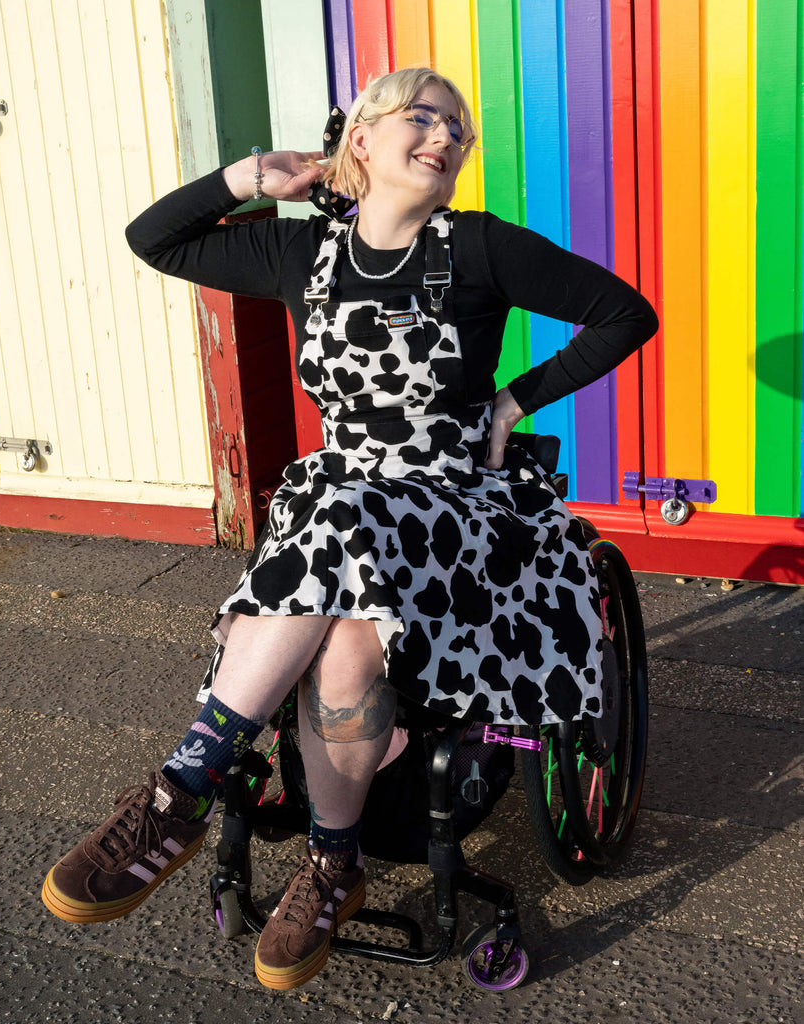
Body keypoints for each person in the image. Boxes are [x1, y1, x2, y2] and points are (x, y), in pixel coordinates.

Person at [41, 67, 658, 989]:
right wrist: (251, 178)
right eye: (421, 116)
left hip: (456, 510)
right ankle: (335, 864)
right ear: (360, 141)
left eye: (456, 128)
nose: (445, 137)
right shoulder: (298, 255)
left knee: (334, 506)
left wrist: (514, 400)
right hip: (348, 522)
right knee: (342, 648)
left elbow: (624, 312)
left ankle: (182, 789)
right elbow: (153, 239)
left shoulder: (482, 247)